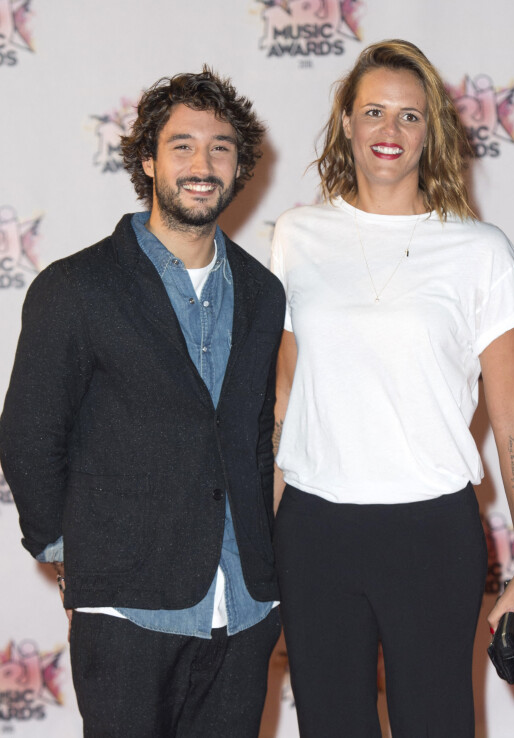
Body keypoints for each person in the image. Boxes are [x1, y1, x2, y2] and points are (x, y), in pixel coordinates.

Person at [271, 40, 514, 737]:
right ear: (346, 124)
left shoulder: (479, 251)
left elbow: (513, 420)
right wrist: (268, 547)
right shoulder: (296, 238)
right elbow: (283, 402)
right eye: (373, 112)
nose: (389, 132)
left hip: (432, 535)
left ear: (433, 132)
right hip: (314, 533)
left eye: (409, 117)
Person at [0, 69, 285, 738]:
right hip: (125, 614)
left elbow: (260, 438)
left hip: (244, 609)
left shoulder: (265, 292)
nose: (202, 164)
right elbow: (29, 435)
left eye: (220, 147)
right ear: (148, 159)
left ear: (239, 165)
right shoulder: (75, 287)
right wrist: (79, 559)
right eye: (181, 145)